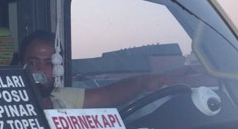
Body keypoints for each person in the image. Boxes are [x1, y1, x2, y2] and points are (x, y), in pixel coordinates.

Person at [20, 30, 176, 110]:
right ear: (21, 65)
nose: (40, 71)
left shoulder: (61, 97)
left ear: (58, 68)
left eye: (49, 63)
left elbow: (109, 95)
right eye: (33, 63)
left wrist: (144, 81)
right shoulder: (8, 108)